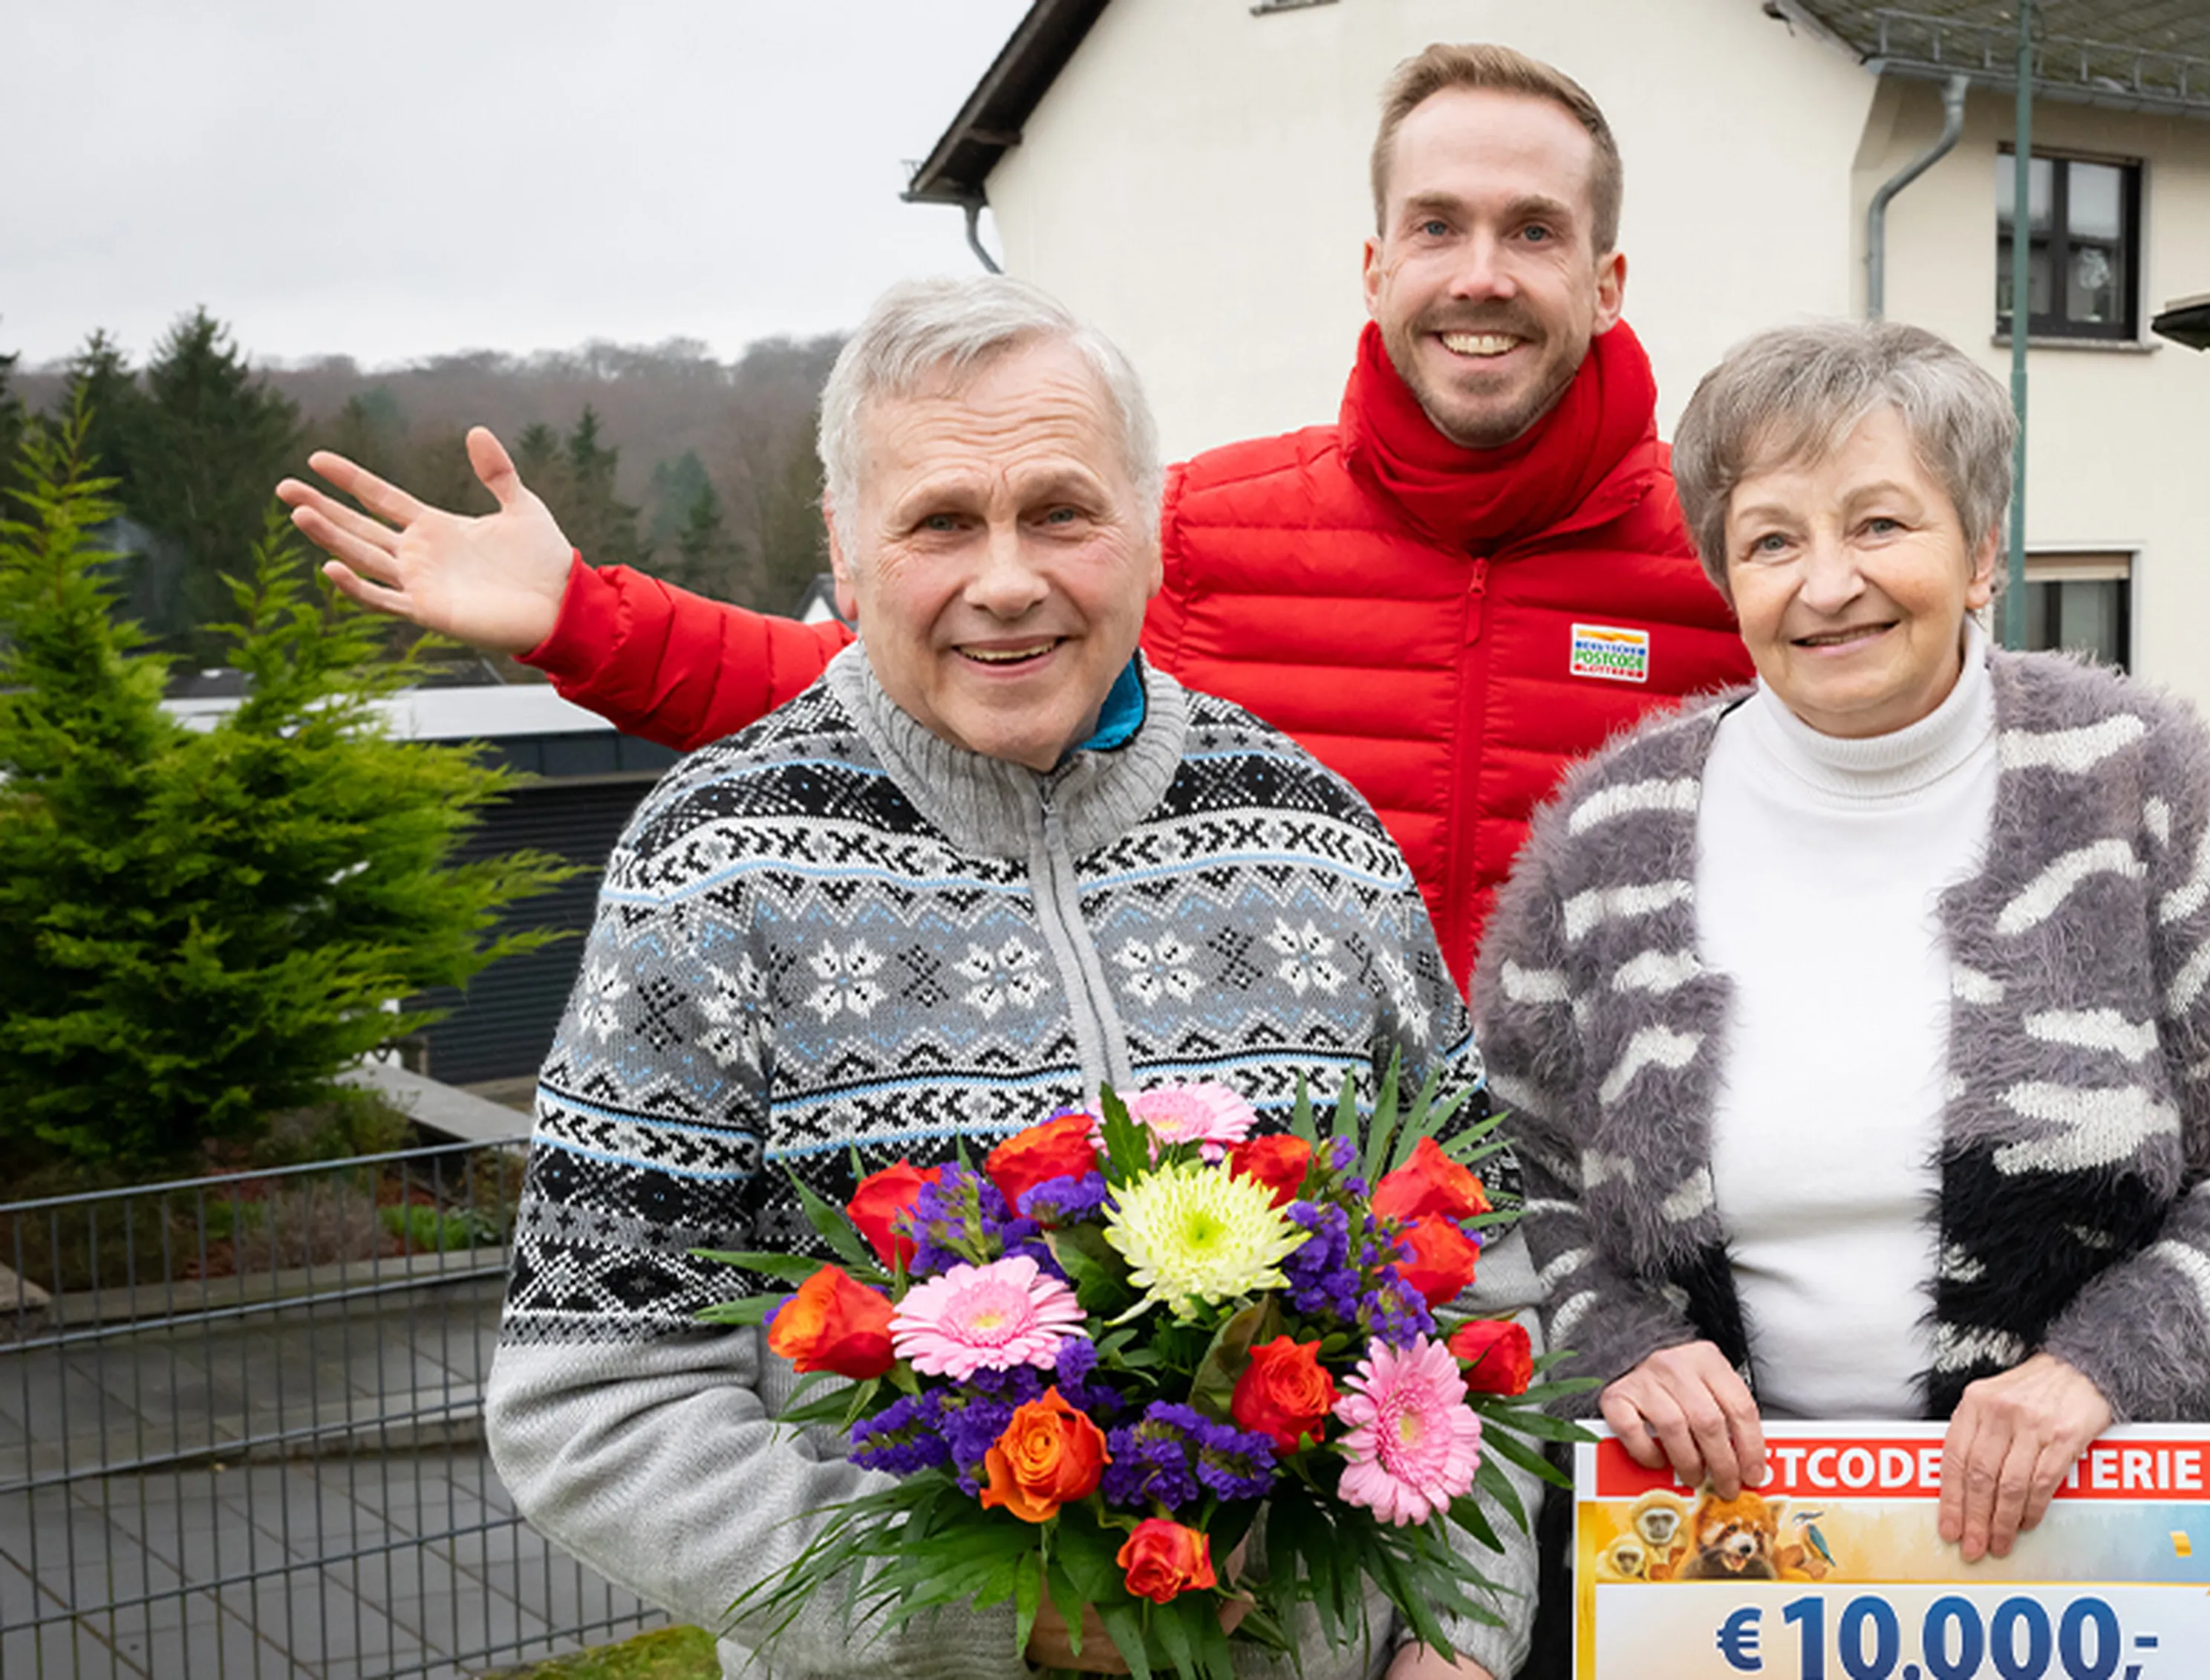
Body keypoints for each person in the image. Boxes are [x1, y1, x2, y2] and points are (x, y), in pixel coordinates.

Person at [276, 45, 2210, 992]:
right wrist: (581, 615)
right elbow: (892, 689)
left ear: (1605, 276)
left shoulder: (1739, 560)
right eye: (1441, 225)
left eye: (1533, 230)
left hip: (1649, 1224)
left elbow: (1987, 777)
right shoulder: (1206, 532)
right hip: (1290, 1227)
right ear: (1374, 265)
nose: (1486, 268)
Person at [483, 275, 1532, 1680]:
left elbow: (1482, 1301)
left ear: (1148, 531)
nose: (1007, 578)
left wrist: (1458, 1637)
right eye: (939, 522)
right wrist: (992, 1614)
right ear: (847, 549)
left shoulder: (1314, 835)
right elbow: (593, 1404)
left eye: (1060, 510)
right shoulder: (716, 870)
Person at [1472, 319, 2210, 1570]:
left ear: (1982, 554)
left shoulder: (2134, 780)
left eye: (1880, 524)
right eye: (1772, 540)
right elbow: (1502, 1176)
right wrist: (1619, 1347)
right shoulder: (1606, 833)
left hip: (2077, 1549)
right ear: (1724, 574)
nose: (1827, 581)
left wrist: (2106, 1369)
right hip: (1708, 1561)